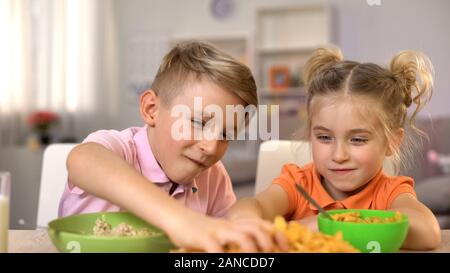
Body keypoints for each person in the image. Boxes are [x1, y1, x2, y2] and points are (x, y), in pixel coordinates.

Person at [59, 41, 283, 252]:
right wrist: (181, 221)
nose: (211, 147)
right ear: (151, 109)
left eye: (225, 134)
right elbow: (84, 160)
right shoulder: (123, 150)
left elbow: (224, 239)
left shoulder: (213, 177)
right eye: (199, 122)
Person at [227, 46, 441, 250]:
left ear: (393, 141)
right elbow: (252, 207)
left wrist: (329, 227)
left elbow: (428, 231)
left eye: (357, 140)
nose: (339, 155)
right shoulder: (297, 182)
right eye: (324, 137)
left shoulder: (390, 192)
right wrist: (247, 221)